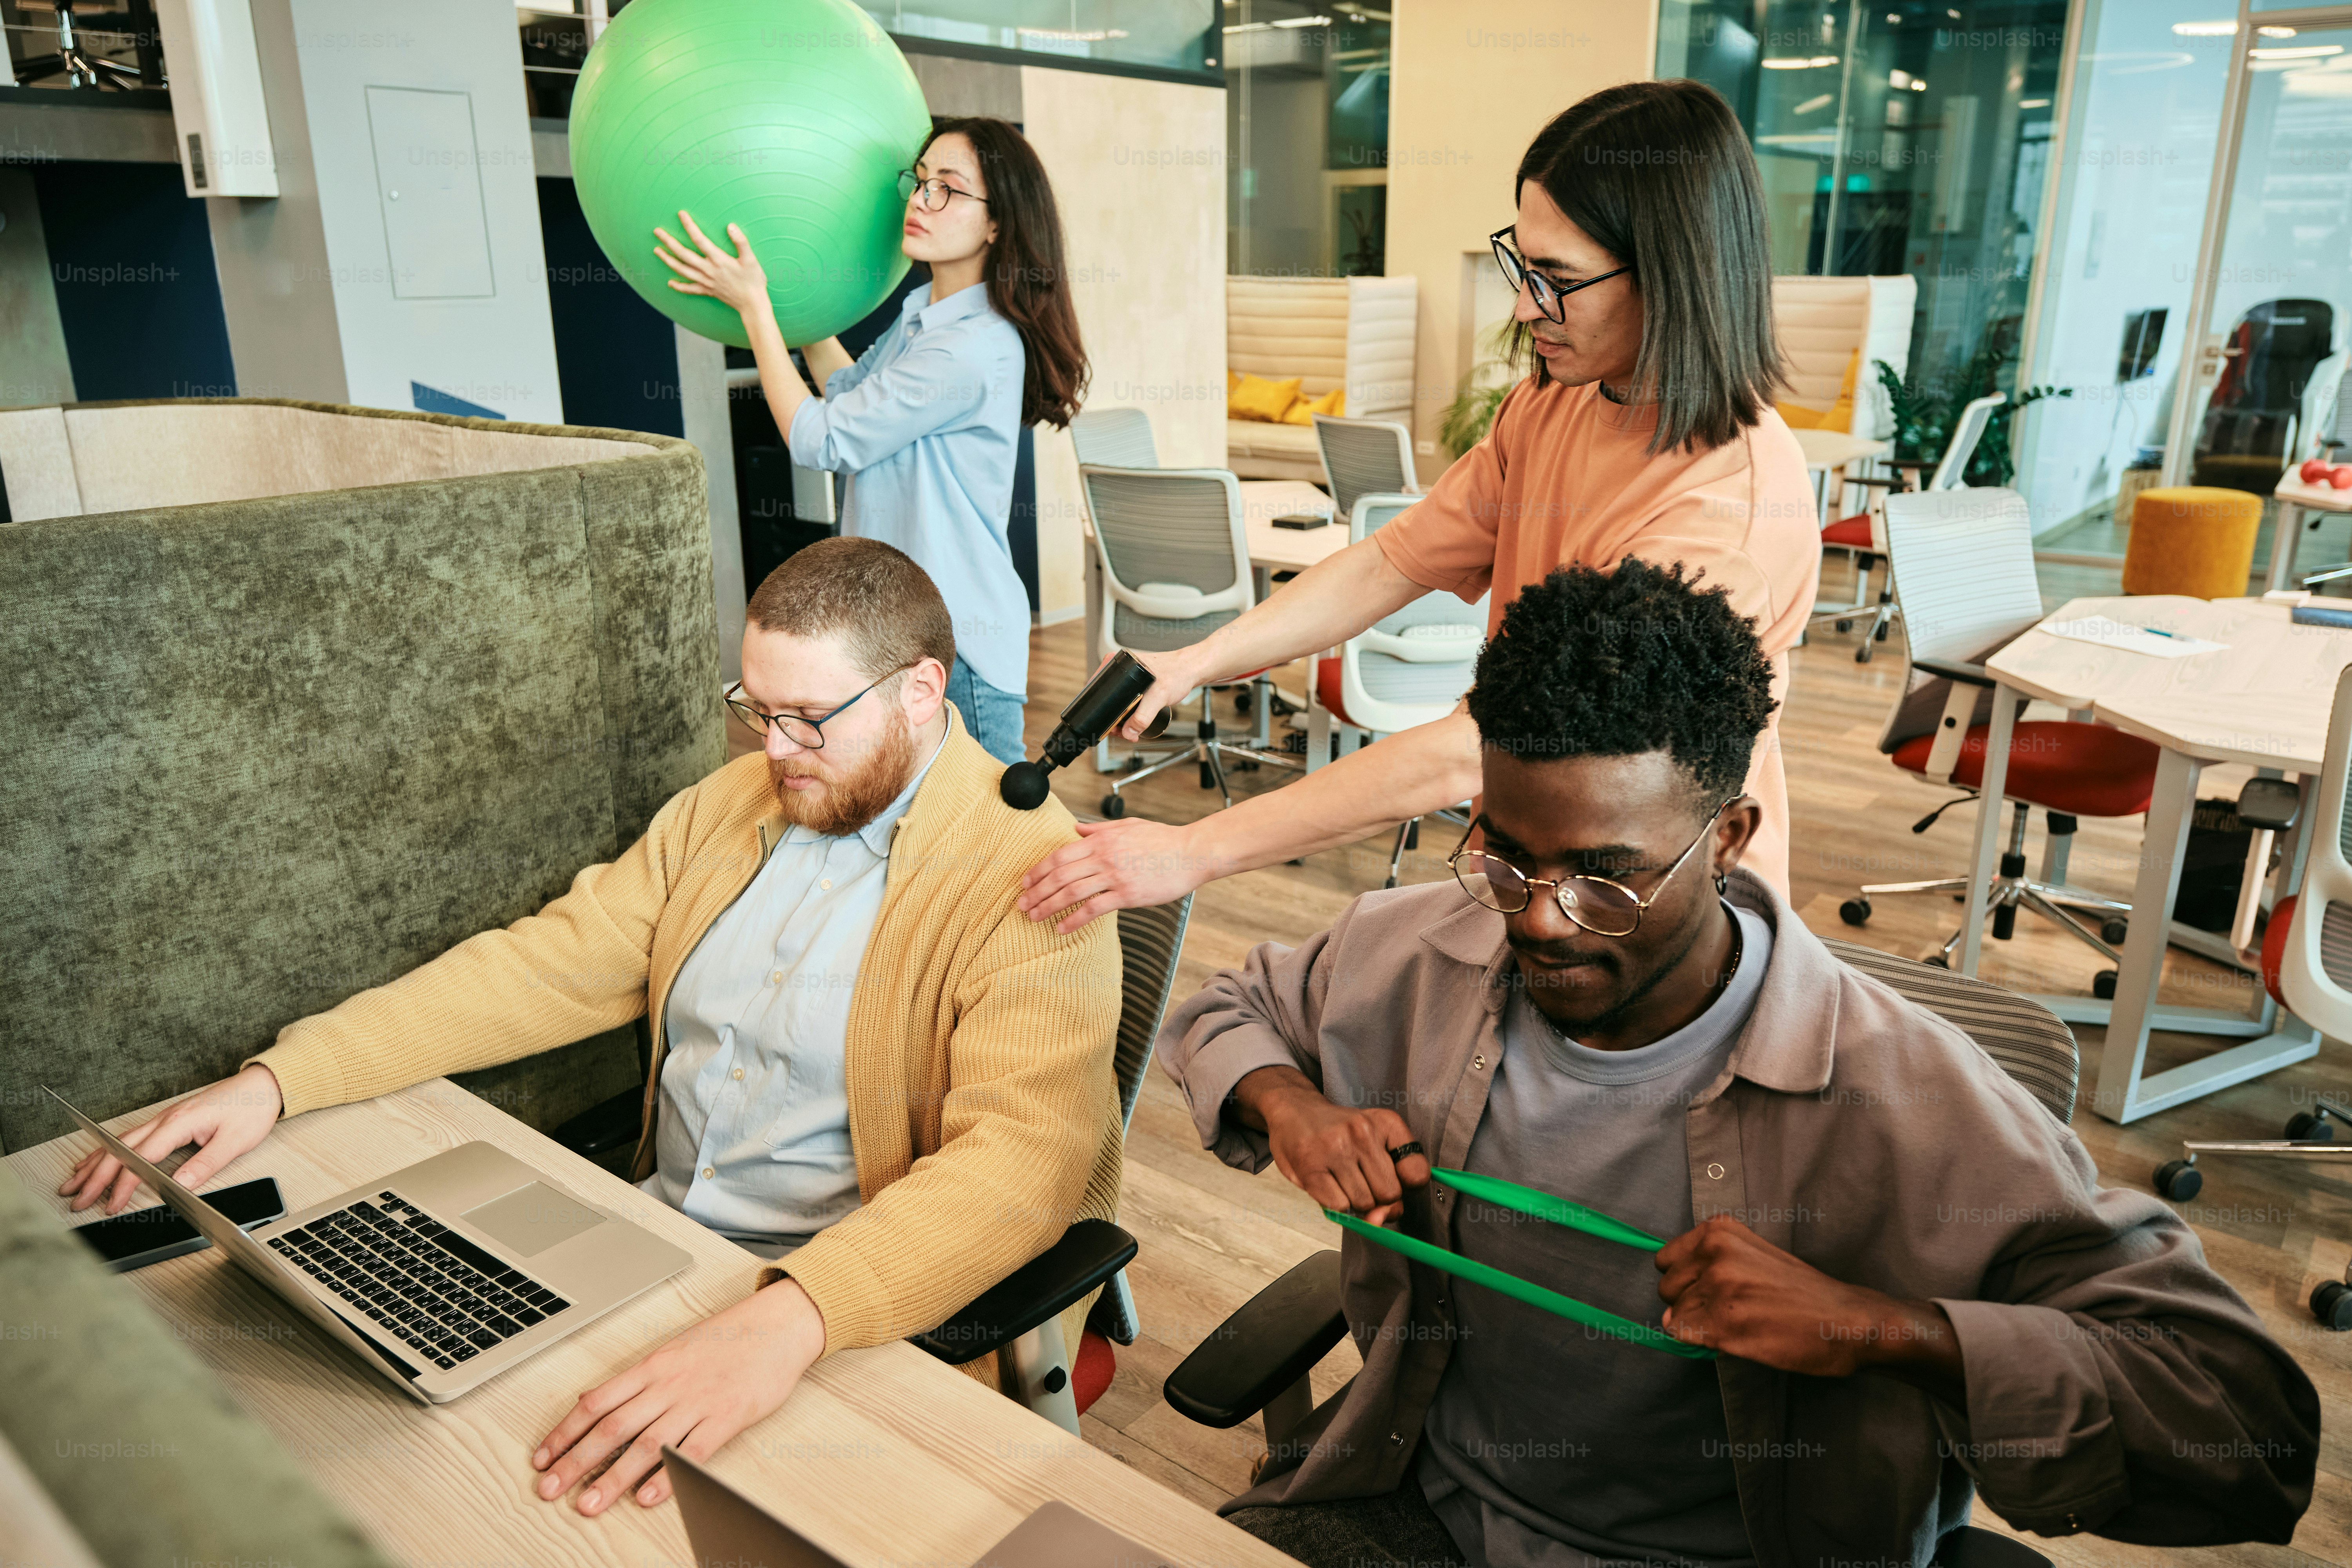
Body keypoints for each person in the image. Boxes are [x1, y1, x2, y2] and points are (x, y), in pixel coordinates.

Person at [1157, 557, 2318, 1568]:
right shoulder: (1406, 949)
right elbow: (1227, 1008)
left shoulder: (1909, 1099)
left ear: (1730, 836)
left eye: (1605, 877)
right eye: (1507, 861)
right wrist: (1292, 1105)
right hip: (1427, 1509)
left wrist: (1885, 1329)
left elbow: (2248, 1431)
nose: (1544, 921)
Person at [59, 537, 1122, 1517]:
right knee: (373, 1442)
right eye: (755, 709)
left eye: (808, 717)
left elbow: (1020, 1168)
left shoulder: (1032, 874)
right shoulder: (733, 804)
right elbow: (544, 964)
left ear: (921, 693)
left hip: (835, 1307)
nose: (776, 748)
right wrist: (288, 1079)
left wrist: (792, 1317)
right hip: (657, 1250)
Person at [1019, 78, 1820, 932]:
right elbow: (1391, 559)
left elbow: (1489, 746)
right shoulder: (1552, 404)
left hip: (1649, 923)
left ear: (1673, 273)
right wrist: (1202, 658)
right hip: (1527, 880)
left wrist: (1191, 851)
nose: (1523, 307)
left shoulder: (1725, 511)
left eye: (1557, 279)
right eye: (1524, 263)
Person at [653, 116, 1089, 764]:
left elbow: (822, 439)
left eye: (947, 187)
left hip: (956, 643)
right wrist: (795, 307)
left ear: (997, 223)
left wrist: (756, 310)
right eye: (918, 182)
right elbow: (849, 390)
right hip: (902, 631)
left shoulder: (972, 347)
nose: (920, 201)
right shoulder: (925, 317)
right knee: (912, 832)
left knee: (982, 843)